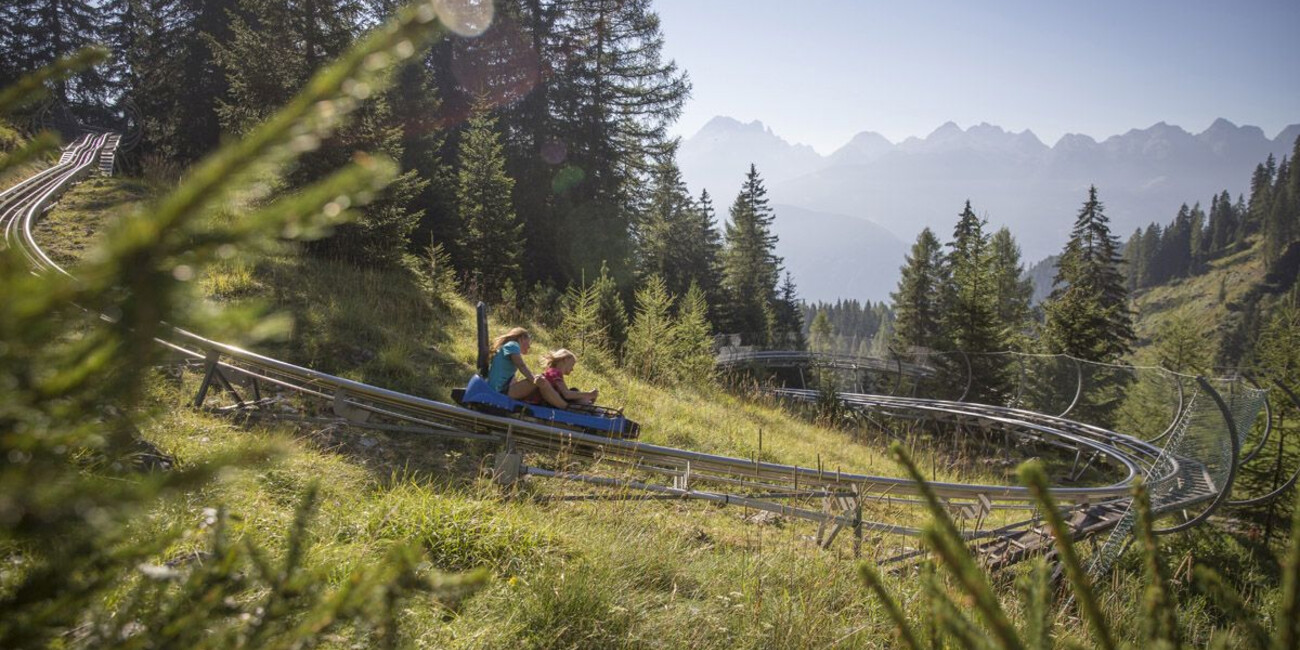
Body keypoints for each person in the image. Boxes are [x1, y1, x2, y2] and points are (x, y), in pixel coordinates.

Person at [529, 348, 599, 408]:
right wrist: (589, 394)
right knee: (574, 391)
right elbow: (566, 394)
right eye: (572, 364)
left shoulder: (552, 372)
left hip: (545, 402)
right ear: (565, 359)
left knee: (574, 390)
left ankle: (588, 404)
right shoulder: (555, 372)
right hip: (543, 403)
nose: (572, 369)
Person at [487, 327, 540, 401]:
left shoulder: (510, 347)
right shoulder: (513, 345)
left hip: (501, 387)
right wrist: (535, 380)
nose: (529, 346)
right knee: (540, 380)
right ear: (521, 338)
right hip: (499, 390)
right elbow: (521, 366)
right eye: (528, 342)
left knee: (539, 380)